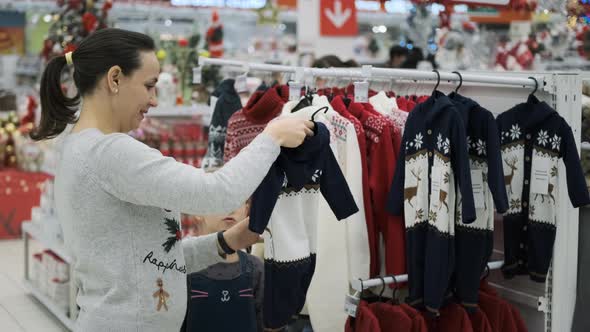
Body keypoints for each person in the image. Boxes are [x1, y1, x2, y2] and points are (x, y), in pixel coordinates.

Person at [30, 28, 313, 332]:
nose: (154, 99)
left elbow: (152, 260)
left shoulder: (79, 147)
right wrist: (271, 136)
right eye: (149, 85)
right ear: (114, 79)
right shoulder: (110, 153)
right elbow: (216, 192)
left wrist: (224, 242)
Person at [182, 197, 264, 332]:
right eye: (220, 198)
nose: (230, 209)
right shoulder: (181, 268)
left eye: (237, 200)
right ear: (197, 209)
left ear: (247, 209)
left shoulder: (256, 269)